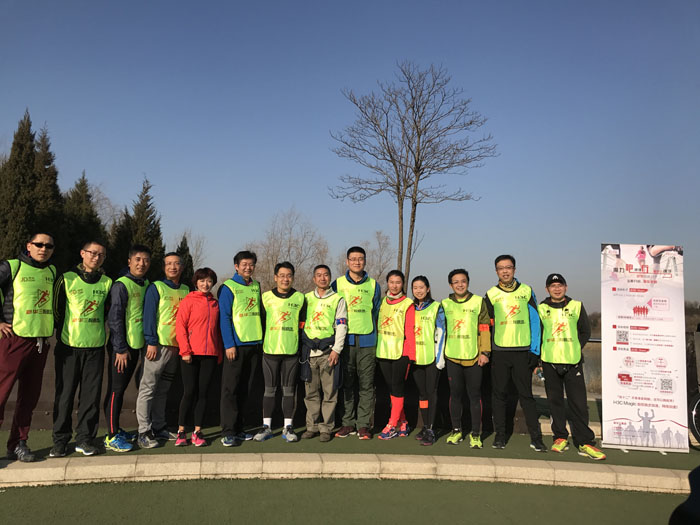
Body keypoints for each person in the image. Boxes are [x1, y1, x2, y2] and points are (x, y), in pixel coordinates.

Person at [51, 240, 111, 457]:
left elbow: (107, 312)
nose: (96, 257)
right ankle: (60, 440)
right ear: (82, 253)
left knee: (90, 397)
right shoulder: (66, 279)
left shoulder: (107, 282)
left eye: (101, 255)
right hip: (69, 347)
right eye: (92, 253)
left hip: (95, 348)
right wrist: (63, 333)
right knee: (64, 396)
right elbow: (57, 310)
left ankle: (85, 439)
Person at [0, 232, 56, 462]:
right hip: (13, 340)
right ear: (29, 246)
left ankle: (18, 444)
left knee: (29, 399)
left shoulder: (52, 271)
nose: (44, 249)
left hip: (40, 343)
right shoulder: (11, 267)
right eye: (39, 244)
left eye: (49, 246)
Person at [538, 273, 605, 460]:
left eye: (560, 285)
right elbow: (538, 334)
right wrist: (538, 362)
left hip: (573, 362)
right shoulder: (542, 308)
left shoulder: (577, 306)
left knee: (579, 403)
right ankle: (560, 437)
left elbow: (585, 331)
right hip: (550, 361)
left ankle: (585, 442)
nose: (557, 288)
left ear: (566, 287)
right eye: (553, 286)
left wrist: (575, 347)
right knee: (555, 402)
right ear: (547, 289)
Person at [484, 254, 545, 452]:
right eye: (501, 268)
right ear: (496, 271)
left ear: (514, 269)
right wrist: (486, 351)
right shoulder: (491, 294)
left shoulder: (527, 291)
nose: (505, 271)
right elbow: (485, 325)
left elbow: (535, 321)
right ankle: (500, 436)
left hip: (523, 351)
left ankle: (536, 438)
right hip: (500, 352)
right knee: (499, 395)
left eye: (508, 267)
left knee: (526, 396)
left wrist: (535, 351)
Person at [136, 252, 189, 448]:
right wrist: (151, 341)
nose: (173, 267)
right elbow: (149, 316)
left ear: (182, 267)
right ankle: (143, 431)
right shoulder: (156, 287)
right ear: (163, 267)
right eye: (168, 264)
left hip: (177, 348)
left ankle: (159, 427)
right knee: (148, 388)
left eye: (176, 263)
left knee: (163, 390)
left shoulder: (186, 289)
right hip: (158, 347)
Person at [103, 244, 151, 452]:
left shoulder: (145, 283)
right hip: (121, 348)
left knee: (121, 389)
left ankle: (116, 429)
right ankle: (111, 436)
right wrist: (120, 349)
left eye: (146, 260)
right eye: (137, 259)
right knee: (116, 390)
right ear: (129, 261)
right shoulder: (121, 285)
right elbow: (115, 319)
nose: (142, 264)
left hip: (136, 344)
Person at [332, 246, 381, 440]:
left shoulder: (374, 285)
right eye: (353, 259)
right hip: (345, 341)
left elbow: (375, 311)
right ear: (347, 262)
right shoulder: (337, 284)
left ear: (365, 261)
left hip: (367, 340)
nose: (357, 262)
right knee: (347, 384)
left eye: (360, 259)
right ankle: (347, 423)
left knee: (366, 385)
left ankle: (363, 425)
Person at [253, 261, 305, 442]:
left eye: (289, 276)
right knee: (269, 390)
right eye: (281, 276)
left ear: (293, 277)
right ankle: (266, 427)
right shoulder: (266, 297)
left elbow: (302, 324)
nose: (285, 279)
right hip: (270, 351)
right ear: (275, 277)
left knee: (289, 391)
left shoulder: (300, 298)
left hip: (291, 352)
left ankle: (288, 427)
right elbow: (260, 322)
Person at [441, 269, 490, 448]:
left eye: (463, 281)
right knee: (455, 396)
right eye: (456, 282)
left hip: (474, 358)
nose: (460, 285)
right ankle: (456, 431)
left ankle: (476, 434)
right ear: (451, 285)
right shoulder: (445, 304)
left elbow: (484, 327)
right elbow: (440, 330)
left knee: (475, 396)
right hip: (452, 357)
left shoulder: (478, 301)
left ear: (468, 282)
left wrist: (485, 352)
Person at [218, 250, 263, 446]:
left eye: (251, 264)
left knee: (246, 389)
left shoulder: (256, 286)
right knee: (230, 390)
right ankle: (228, 431)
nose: (248, 267)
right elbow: (224, 317)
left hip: (254, 345)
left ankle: (239, 429)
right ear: (236, 266)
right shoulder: (228, 287)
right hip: (236, 346)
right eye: (244, 264)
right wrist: (229, 344)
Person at [174, 267, 223, 447]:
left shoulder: (215, 304)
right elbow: (181, 327)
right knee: (189, 392)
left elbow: (217, 331)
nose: (205, 284)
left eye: (209, 281)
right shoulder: (188, 301)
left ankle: (197, 431)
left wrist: (218, 352)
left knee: (203, 394)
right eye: (202, 280)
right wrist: (185, 351)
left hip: (210, 355)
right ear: (196, 282)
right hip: (191, 355)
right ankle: (181, 431)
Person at [300, 265, 347, 442]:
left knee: (329, 393)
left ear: (330, 277)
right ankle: (311, 427)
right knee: (310, 393)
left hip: (328, 352)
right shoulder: (306, 298)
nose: (322, 278)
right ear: (314, 279)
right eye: (318, 275)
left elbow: (342, 325)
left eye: (326, 275)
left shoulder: (338, 299)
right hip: (309, 353)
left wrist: (336, 350)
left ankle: (326, 428)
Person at [376, 270, 413, 440]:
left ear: (403, 284)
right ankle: (403, 422)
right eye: (391, 282)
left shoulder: (408, 304)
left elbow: (410, 332)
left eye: (398, 282)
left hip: (400, 353)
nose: (394, 285)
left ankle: (391, 425)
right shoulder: (382, 302)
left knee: (398, 388)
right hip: (383, 351)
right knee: (392, 389)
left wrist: (409, 355)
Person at [408, 276, 445, 446]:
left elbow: (442, 332)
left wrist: (439, 357)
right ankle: (425, 425)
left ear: (428, 288)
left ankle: (431, 429)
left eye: (421, 287)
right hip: (416, 358)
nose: (418, 290)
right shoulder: (410, 308)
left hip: (432, 358)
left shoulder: (437, 307)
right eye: (415, 287)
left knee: (432, 393)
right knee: (422, 394)